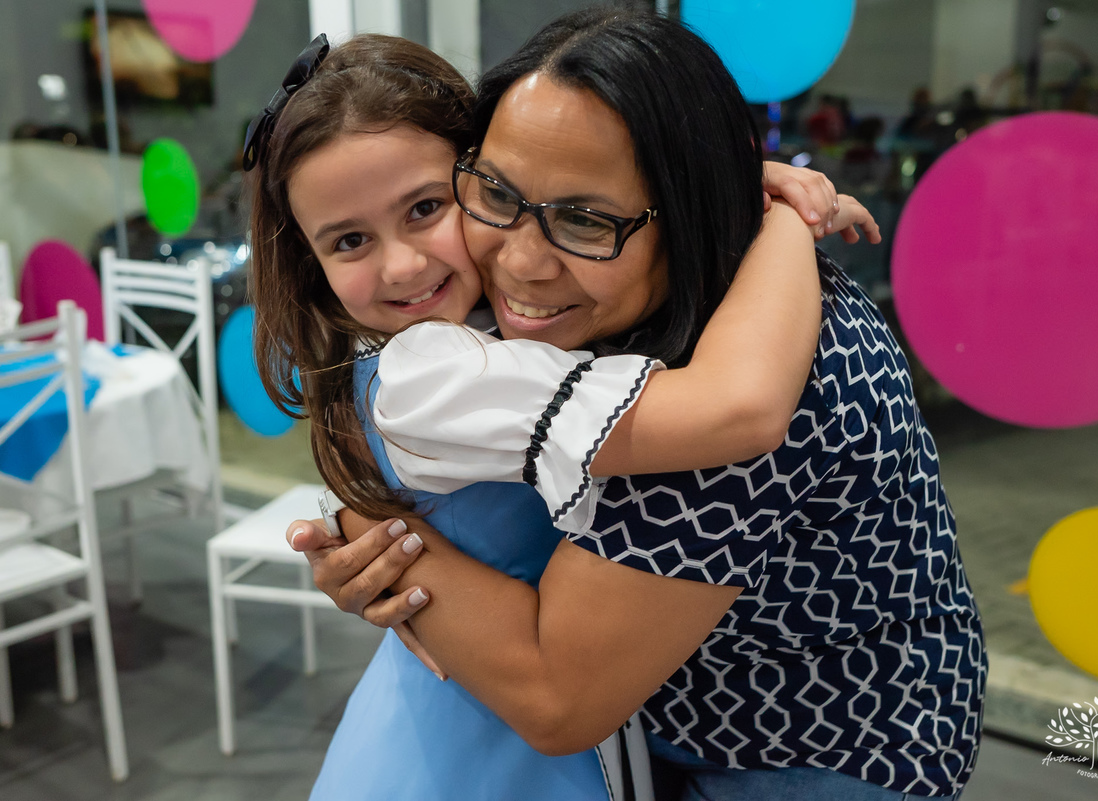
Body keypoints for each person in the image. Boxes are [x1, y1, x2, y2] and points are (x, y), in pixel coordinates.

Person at [291, 8, 985, 801]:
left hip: (806, 755)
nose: (519, 262)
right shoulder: (709, 276)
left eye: (584, 219)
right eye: (496, 192)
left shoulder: (725, 372)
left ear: (691, 207)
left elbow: (556, 698)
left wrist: (376, 532)